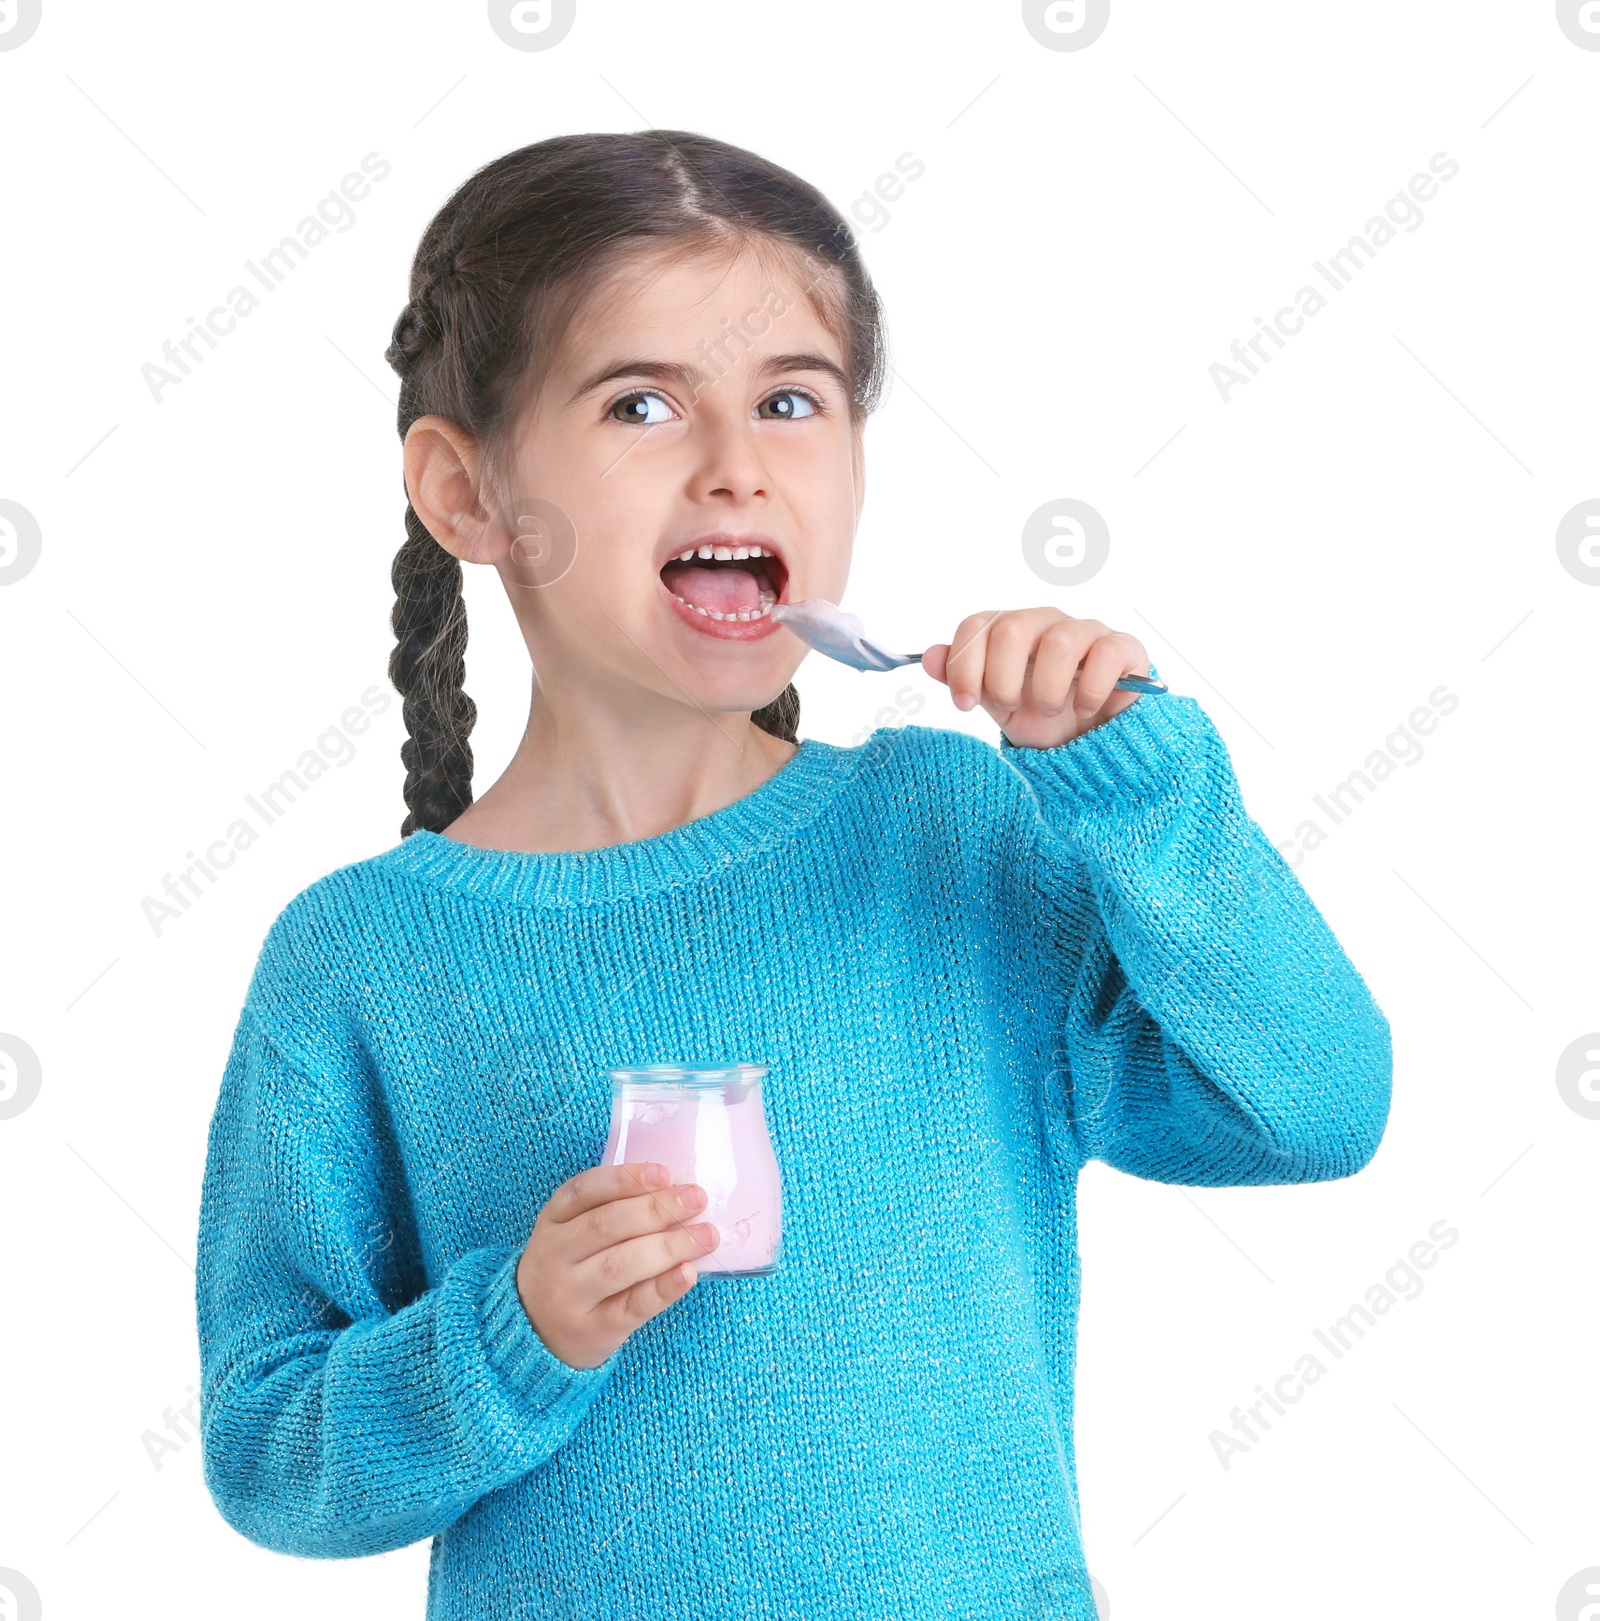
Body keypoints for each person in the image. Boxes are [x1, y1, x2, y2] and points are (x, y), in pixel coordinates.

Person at [194, 130, 1392, 1621]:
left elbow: (1317, 1105)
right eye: (640, 402)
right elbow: (269, 1450)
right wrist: (515, 1331)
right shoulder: (361, 959)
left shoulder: (951, 835)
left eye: (791, 401)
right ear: (466, 493)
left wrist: (1136, 789)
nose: (737, 464)